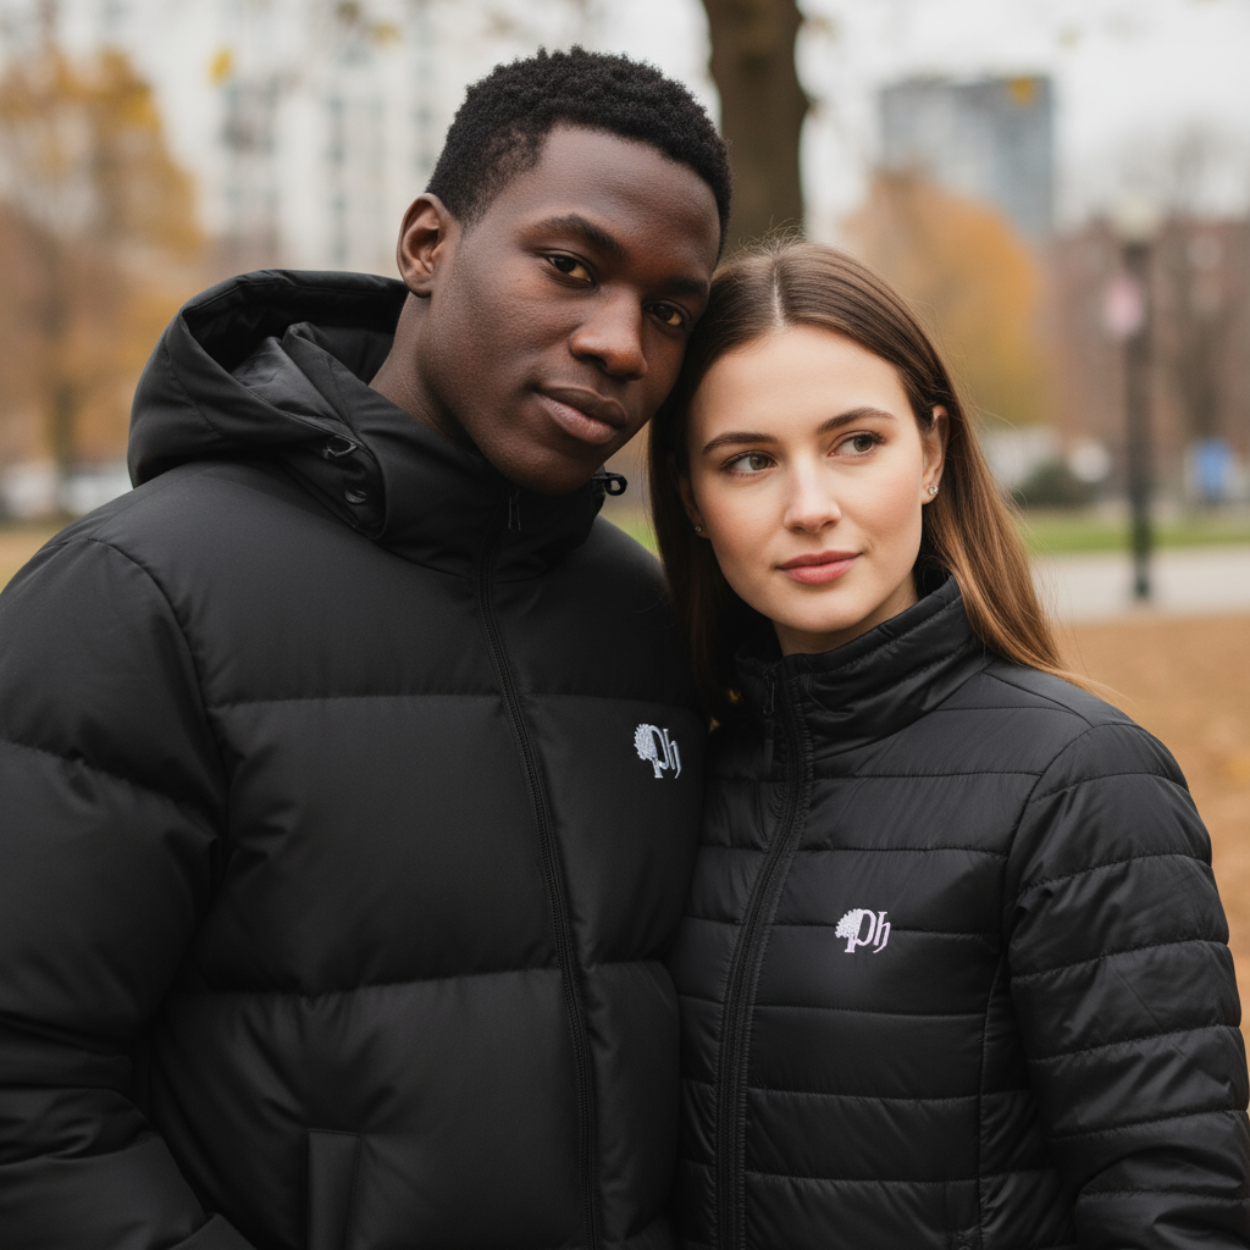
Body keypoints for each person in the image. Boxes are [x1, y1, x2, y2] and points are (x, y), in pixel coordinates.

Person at [0, 49, 728, 1249]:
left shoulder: (642, 619)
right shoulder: (135, 600)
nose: (620, 342)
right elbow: (27, 1090)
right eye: (569, 266)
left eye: (667, 310)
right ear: (427, 245)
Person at [649, 240, 1250, 1249]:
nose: (808, 506)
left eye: (853, 442)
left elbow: (1169, 1206)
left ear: (929, 451)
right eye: (748, 459)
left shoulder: (1081, 781)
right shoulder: (684, 771)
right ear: (691, 498)